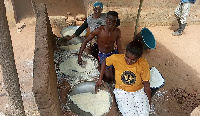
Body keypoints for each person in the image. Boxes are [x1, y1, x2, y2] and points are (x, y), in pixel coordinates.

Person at [96, 40, 151, 116]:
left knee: (145, 113)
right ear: (125, 52)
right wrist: (100, 79)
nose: (129, 61)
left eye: (133, 60)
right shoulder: (117, 58)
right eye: (127, 57)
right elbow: (105, 61)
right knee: (131, 114)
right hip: (122, 92)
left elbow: (146, 84)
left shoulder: (143, 63)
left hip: (138, 91)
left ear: (139, 58)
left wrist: (148, 102)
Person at [78, 11, 123, 83]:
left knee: (120, 72)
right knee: (109, 76)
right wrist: (79, 55)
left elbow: (119, 47)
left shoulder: (117, 32)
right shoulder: (99, 31)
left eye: (114, 20)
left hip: (113, 53)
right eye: (109, 20)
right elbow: (85, 41)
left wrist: (123, 59)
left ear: (116, 21)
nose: (111, 22)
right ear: (106, 19)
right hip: (103, 54)